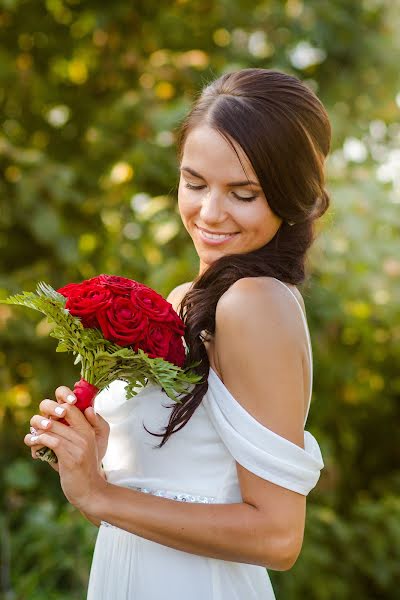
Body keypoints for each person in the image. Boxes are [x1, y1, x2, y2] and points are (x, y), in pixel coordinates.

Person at [25, 67, 330, 599]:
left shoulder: (253, 302)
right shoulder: (186, 300)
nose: (210, 213)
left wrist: (100, 497)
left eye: (244, 193)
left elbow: (279, 536)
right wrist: (95, 457)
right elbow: (177, 499)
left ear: (288, 195)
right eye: (195, 183)